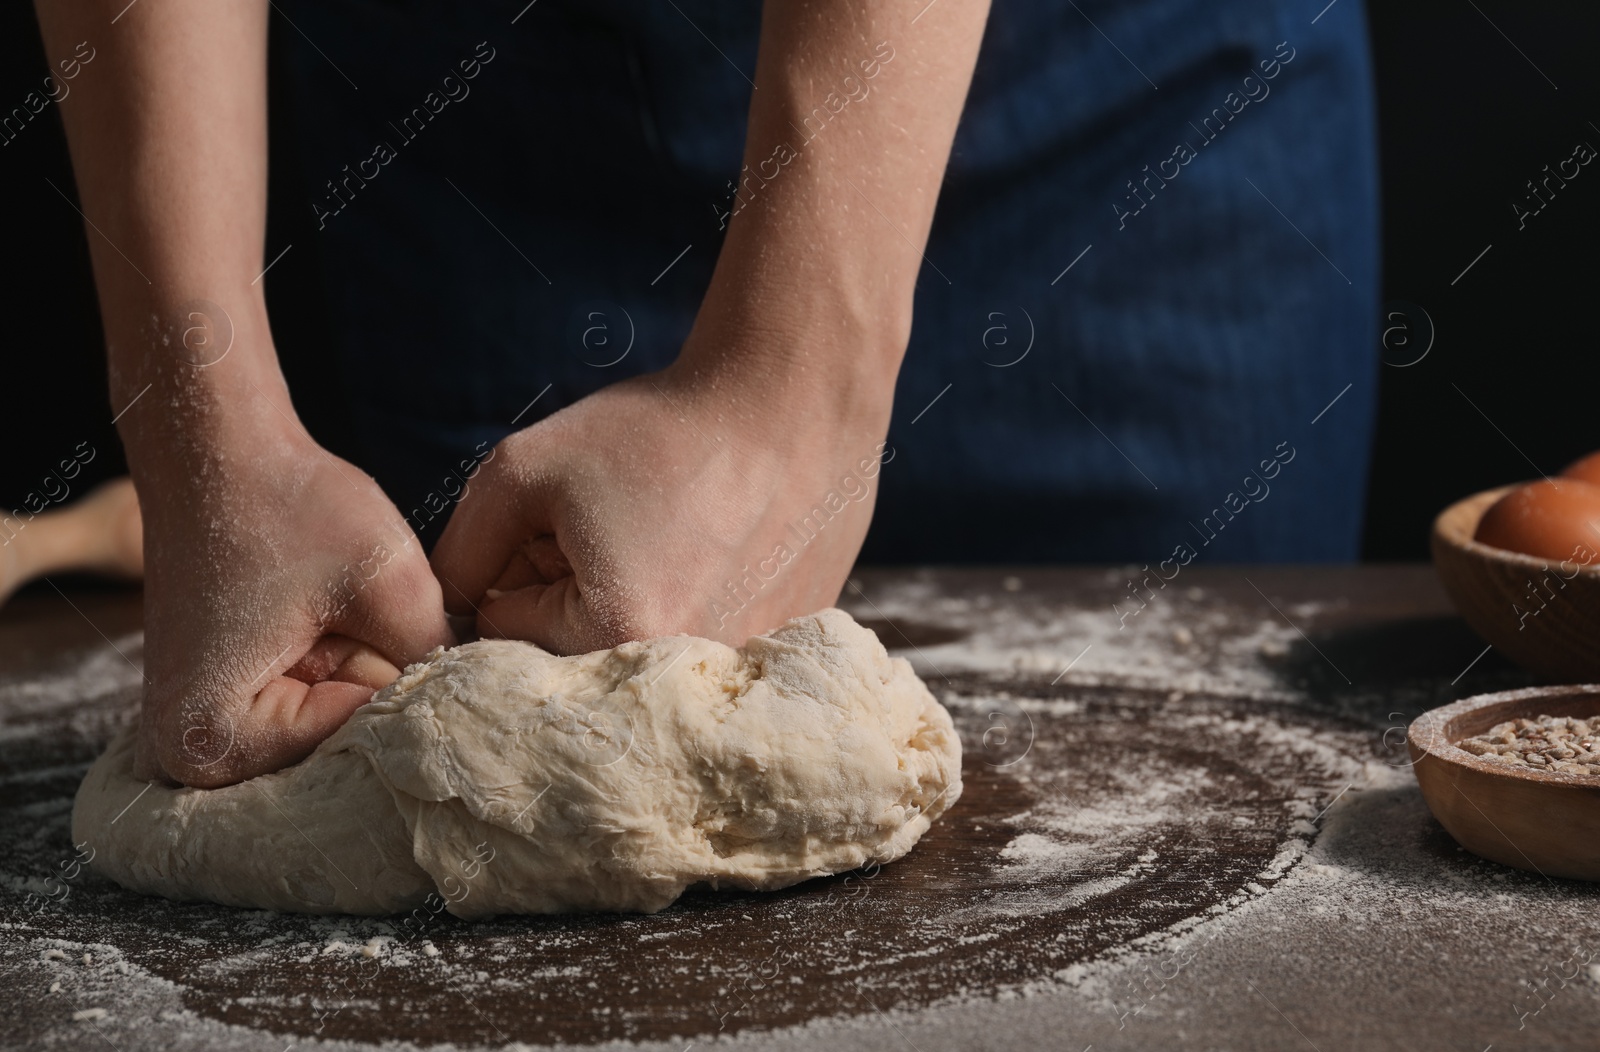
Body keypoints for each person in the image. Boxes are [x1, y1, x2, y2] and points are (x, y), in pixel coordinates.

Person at [35, 0, 1378, 788]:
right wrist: (205, 427)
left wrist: (800, 370)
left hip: (1120, 125)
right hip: (500, 105)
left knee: (1171, 826)